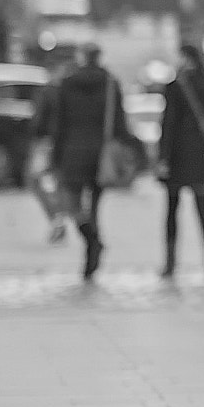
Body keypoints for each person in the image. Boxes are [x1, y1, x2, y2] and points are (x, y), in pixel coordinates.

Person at [47, 42, 134, 280]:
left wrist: (55, 156)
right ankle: (92, 251)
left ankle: (91, 241)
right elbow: (119, 122)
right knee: (95, 207)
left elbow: (59, 123)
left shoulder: (67, 83)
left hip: (72, 152)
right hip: (100, 155)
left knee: (72, 205)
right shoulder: (109, 84)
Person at [157, 42, 204, 280]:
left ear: (186, 58)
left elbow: (168, 125)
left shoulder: (175, 87)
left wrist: (162, 158)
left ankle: (170, 264)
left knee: (172, 210)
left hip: (177, 158)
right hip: (202, 159)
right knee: (203, 210)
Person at [30, 62, 72, 245]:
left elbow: (39, 120)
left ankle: (57, 218)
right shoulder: (65, 92)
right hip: (60, 143)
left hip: (46, 142)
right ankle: (59, 218)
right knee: (58, 182)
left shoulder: (49, 92)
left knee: (35, 179)